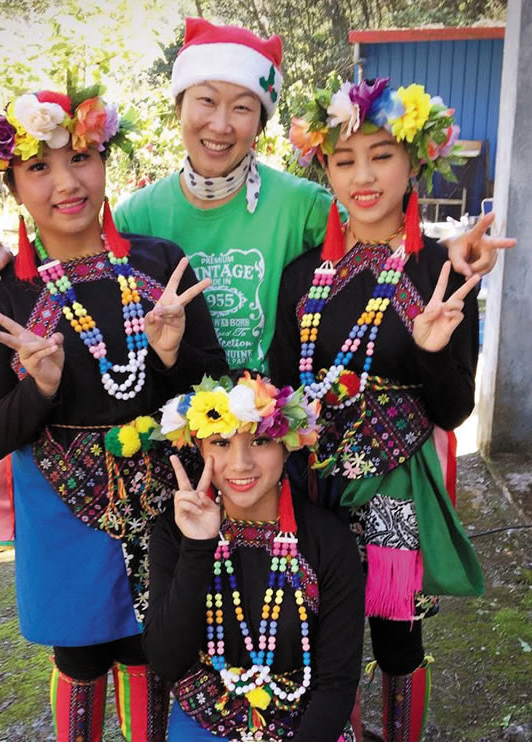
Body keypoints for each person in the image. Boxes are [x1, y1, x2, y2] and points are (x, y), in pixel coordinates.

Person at [0, 18, 515, 372]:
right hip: (170, 414)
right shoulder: (138, 214)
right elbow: (64, 258)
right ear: (179, 108)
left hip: (273, 430)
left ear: (260, 123)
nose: (220, 124)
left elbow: (380, 227)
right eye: (206, 101)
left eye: (242, 107)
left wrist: (450, 250)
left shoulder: (303, 205)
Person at [0, 86, 228, 741]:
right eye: (39, 168)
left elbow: (215, 389)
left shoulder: (160, 263)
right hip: (57, 507)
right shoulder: (2, 291)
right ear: (12, 186)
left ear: (105, 159)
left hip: (167, 499)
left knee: (153, 650)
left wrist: (169, 355)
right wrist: (39, 389)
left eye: (80, 157)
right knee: (80, 656)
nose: (67, 182)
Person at [269, 76, 485, 741]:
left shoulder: (440, 271)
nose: (363, 176)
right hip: (313, 484)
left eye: (382, 154)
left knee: (396, 638)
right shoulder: (304, 275)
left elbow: (452, 410)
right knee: (319, 635)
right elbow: (282, 389)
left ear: (414, 160)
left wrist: (429, 347)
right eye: (343, 159)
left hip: (396, 485)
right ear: (324, 169)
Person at [143, 371, 365, 741]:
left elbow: (337, 681)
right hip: (205, 718)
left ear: (288, 445)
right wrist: (198, 546)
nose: (241, 463)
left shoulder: (328, 541)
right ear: (200, 449)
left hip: (307, 722)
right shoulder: (174, 532)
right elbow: (168, 661)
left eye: (260, 441)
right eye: (221, 442)